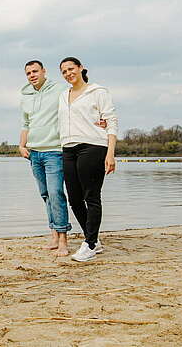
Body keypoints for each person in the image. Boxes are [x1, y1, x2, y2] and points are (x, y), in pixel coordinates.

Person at [58, 57, 118, 262]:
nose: (68, 74)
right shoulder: (63, 95)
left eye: (71, 69)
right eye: (64, 71)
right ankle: (93, 238)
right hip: (68, 148)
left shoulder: (98, 92)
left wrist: (110, 153)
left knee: (91, 196)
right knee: (74, 199)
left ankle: (90, 244)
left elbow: (111, 122)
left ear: (81, 68)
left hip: (93, 146)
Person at [19, 60, 72, 256]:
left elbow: (75, 105)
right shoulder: (25, 95)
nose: (32, 75)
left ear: (44, 71)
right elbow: (25, 123)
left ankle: (64, 240)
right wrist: (21, 145)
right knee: (46, 195)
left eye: (35, 71)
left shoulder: (59, 89)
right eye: (28, 73)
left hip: (54, 151)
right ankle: (54, 235)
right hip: (34, 153)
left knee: (56, 192)